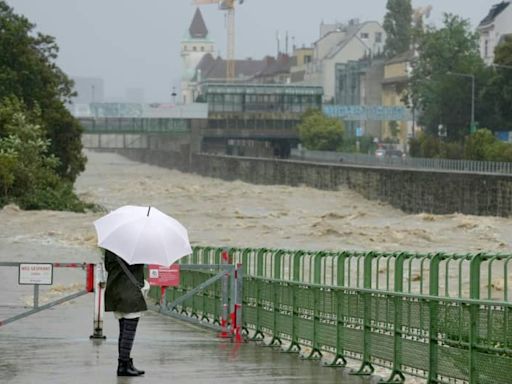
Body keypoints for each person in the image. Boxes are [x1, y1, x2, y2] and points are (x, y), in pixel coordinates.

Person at [104, 249, 147, 377]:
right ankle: (123, 365)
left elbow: (108, 267)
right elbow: (137, 267)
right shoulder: (135, 250)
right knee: (128, 332)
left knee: (123, 331)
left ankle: (125, 363)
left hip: (115, 292)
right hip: (129, 293)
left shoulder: (110, 249)